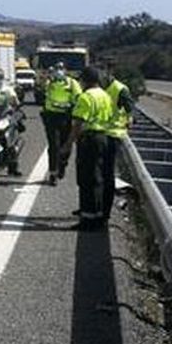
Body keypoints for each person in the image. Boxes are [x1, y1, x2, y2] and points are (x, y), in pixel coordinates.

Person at [61, 66, 114, 229]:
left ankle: (88, 220)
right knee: (99, 178)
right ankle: (99, 216)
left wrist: (68, 145)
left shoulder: (86, 97)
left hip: (90, 140)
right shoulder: (105, 95)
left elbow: (78, 124)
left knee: (87, 179)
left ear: (85, 81)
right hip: (104, 138)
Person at [101, 66, 134, 222]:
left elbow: (130, 111)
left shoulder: (120, 89)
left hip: (113, 136)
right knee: (99, 174)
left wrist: (128, 122)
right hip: (100, 134)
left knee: (107, 175)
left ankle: (105, 212)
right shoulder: (100, 89)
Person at [42, 62, 82, 185]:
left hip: (66, 117)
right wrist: (47, 79)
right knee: (53, 145)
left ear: (65, 70)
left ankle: (63, 164)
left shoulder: (72, 83)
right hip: (51, 116)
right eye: (56, 69)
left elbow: (79, 97)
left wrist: (72, 107)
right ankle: (53, 173)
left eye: (61, 69)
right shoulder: (50, 82)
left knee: (66, 144)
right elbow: (43, 91)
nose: (58, 71)